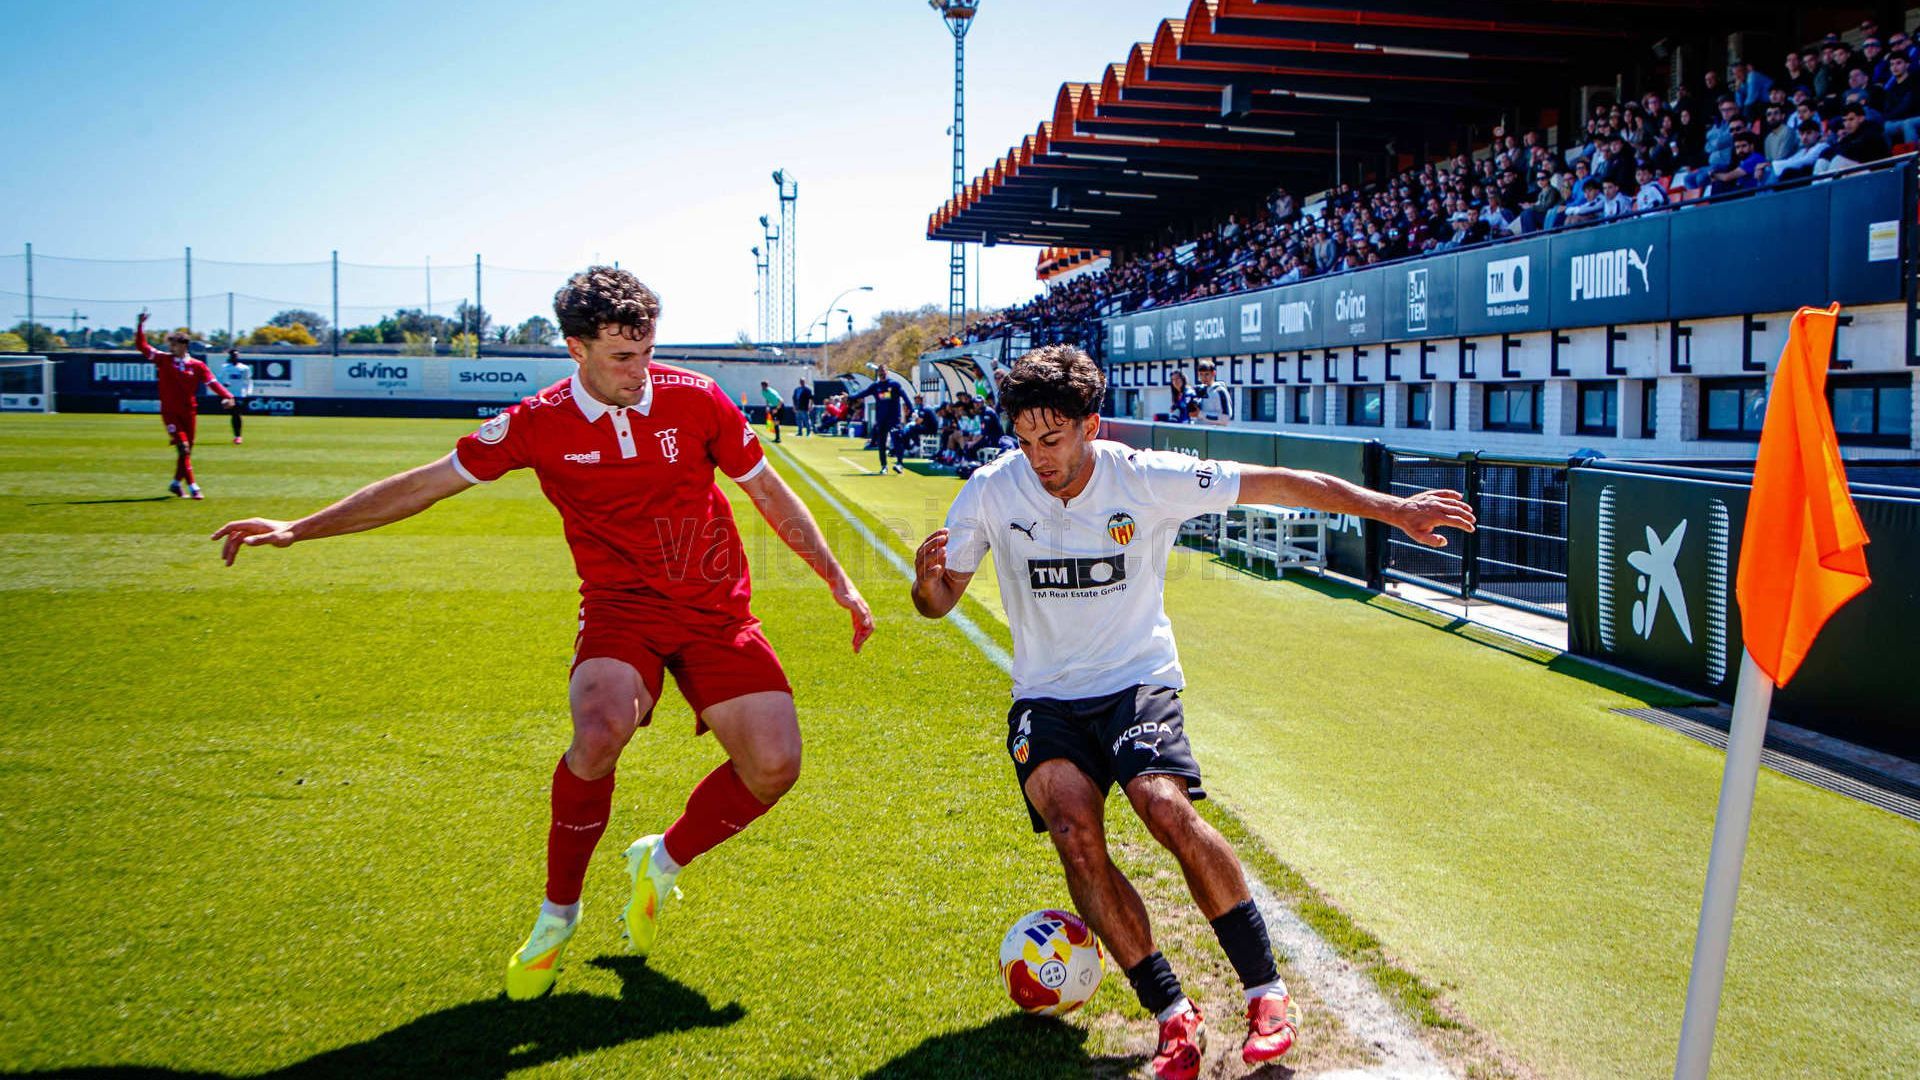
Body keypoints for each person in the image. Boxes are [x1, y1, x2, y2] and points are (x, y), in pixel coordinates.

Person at [210, 267, 875, 1002]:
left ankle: (660, 860)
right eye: (622, 357)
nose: (639, 371)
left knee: (775, 766)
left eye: (647, 351)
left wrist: (834, 577)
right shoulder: (537, 422)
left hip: (716, 609)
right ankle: (559, 913)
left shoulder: (696, 399)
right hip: (621, 609)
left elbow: (767, 491)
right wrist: (298, 530)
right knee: (598, 732)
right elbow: (425, 484)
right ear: (576, 348)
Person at [910, 346, 1474, 1080]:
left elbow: (1278, 482)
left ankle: (1266, 995)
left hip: (1135, 681)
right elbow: (939, 602)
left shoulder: (1144, 479)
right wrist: (927, 588)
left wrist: (1392, 508)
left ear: (1092, 425)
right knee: (1074, 832)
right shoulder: (990, 491)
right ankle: (1172, 1013)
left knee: (1163, 806)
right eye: (1024, 441)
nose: (1037, 458)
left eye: (1051, 440)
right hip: (1046, 696)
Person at [133, 311, 234, 499]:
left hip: (189, 411)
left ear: (184, 345)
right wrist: (140, 326)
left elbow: (212, 383)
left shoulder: (197, 365)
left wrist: (227, 396)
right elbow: (142, 346)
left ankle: (175, 483)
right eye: (170, 344)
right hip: (170, 411)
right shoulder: (163, 359)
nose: (171, 348)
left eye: (174, 345)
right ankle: (194, 486)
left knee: (187, 450)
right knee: (184, 448)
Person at [846, 366, 910, 474]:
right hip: (881, 419)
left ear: (887, 372)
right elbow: (863, 394)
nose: (882, 374)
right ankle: (884, 466)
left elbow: (905, 397)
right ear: (878, 374)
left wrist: (912, 410)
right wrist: (850, 397)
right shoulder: (876, 386)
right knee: (881, 443)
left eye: (883, 372)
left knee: (896, 439)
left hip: (894, 418)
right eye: (880, 373)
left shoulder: (894, 385)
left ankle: (899, 464)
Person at [217, 348, 253, 445]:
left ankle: (238, 437)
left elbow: (248, 380)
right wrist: (224, 384)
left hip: (240, 394)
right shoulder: (225, 367)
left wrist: (248, 392)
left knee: (236, 413)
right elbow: (219, 379)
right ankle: (237, 435)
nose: (235, 357)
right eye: (233, 356)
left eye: (236, 355)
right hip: (228, 394)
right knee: (233, 414)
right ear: (230, 357)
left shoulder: (244, 368)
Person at [1195, 359, 1233, 425]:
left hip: (1215, 433)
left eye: (1207, 374)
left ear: (1213, 373)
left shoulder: (1220, 391)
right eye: (1201, 374)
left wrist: (1200, 414)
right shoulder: (1199, 390)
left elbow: (1226, 418)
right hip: (1200, 432)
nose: (1203, 378)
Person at [759, 380, 784, 444]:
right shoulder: (763, 392)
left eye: (763, 386)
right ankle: (777, 438)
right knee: (775, 422)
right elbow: (767, 398)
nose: (762, 387)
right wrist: (767, 406)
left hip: (779, 406)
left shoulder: (772, 392)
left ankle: (778, 438)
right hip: (773, 406)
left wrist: (776, 409)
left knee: (776, 422)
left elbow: (781, 401)